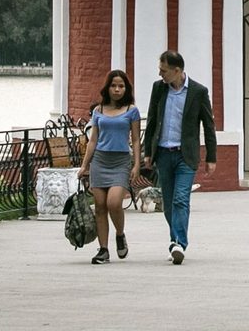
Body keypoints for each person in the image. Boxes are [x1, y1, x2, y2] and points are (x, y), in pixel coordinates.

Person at [141, 50, 217, 264]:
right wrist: (149, 151)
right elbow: (153, 120)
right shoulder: (158, 89)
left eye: (163, 71)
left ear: (177, 70)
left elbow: (208, 126)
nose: (160, 74)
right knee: (168, 202)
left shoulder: (198, 92)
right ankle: (175, 239)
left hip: (186, 155)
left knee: (181, 199)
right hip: (163, 153)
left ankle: (179, 244)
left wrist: (212, 156)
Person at [80, 70, 142, 264]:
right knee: (99, 207)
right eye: (114, 85)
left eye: (121, 86)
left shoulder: (132, 110)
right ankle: (103, 249)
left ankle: (120, 234)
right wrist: (85, 166)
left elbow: (136, 140)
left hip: (120, 161)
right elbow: (93, 140)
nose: (117, 89)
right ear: (107, 87)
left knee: (114, 203)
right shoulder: (98, 111)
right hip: (100, 161)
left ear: (126, 89)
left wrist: (137, 164)